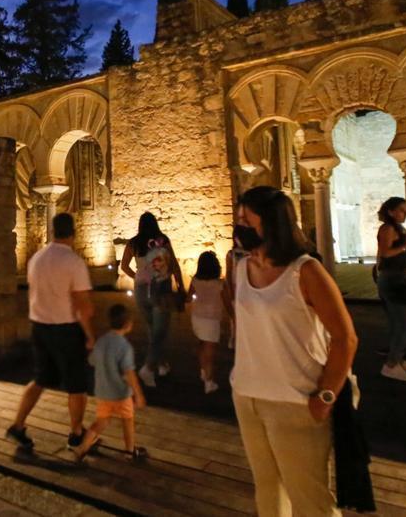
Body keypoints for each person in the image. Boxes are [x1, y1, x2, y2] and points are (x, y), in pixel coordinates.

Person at [231, 186, 358, 517]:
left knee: (309, 498)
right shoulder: (241, 269)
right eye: (238, 218)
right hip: (247, 396)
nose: (239, 225)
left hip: (296, 401)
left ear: (272, 223)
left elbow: (345, 338)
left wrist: (326, 395)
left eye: (247, 219)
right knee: (267, 488)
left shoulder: (306, 271)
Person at [6, 212, 96, 451]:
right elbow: (81, 305)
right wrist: (89, 335)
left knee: (40, 379)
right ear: (73, 233)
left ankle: (18, 425)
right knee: (77, 385)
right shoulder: (74, 263)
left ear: (53, 231)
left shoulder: (36, 259)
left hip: (39, 327)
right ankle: (77, 433)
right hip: (65, 330)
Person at [72, 304, 147, 461]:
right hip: (121, 394)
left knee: (100, 422)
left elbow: (92, 361)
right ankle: (129, 450)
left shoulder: (101, 342)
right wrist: (138, 394)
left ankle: (82, 448)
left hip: (102, 393)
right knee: (127, 420)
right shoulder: (125, 347)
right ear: (128, 325)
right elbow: (129, 373)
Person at [119, 212, 185, 387]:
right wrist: (180, 286)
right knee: (159, 331)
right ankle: (148, 368)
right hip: (160, 289)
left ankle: (162, 365)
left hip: (141, 290)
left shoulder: (134, 243)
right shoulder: (162, 241)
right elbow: (173, 265)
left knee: (153, 329)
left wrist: (137, 276)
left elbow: (124, 265)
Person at [375, 197, 406, 383]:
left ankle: (398, 361)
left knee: (400, 324)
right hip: (391, 280)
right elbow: (385, 252)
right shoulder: (387, 229)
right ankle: (391, 365)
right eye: (403, 210)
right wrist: (405, 243)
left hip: (399, 278)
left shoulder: (397, 228)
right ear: (390, 212)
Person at [190, 251, 225, 394]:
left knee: (202, 345)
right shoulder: (220, 284)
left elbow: (188, 296)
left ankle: (204, 372)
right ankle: (209, 382)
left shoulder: (195, 281)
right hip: (211, 319)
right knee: (210, 353)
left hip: (197, 317)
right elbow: (228, 301)